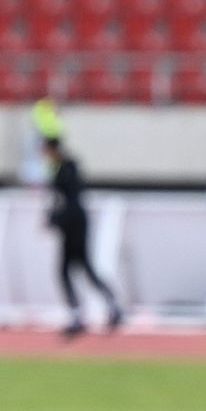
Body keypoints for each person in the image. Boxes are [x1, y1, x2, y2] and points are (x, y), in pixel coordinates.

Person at [44, 136, 123, 340]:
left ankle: (87, 312)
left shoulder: (67, 169)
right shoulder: (62, 169)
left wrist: (55, 219)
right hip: (71, 225)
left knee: (76, 269)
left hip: (75, 225)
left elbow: (69, 201)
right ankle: (87, 311)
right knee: (72, 270)